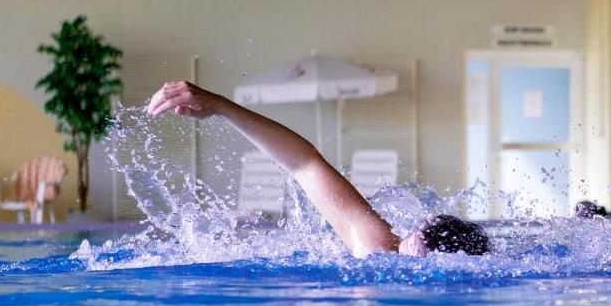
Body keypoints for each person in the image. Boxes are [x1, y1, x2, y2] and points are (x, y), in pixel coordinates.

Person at [147, 81, 490, 258]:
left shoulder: (381, 253)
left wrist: (221, 106)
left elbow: (305, 163)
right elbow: (304, 163)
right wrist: (220, 107)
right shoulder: (383, 252)